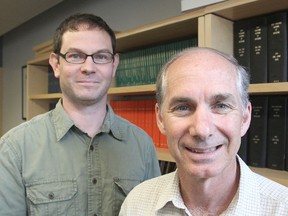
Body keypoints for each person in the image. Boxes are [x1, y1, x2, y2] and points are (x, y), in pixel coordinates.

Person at [0, 13, 161, 216]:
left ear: (114, 65)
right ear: (56, 64)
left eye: (101, 57)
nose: (89, 68)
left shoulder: (142, 146)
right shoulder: (14, 149)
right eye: (76, 56)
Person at [119, 47, 288, 215]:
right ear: (161, 119)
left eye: (221, 106)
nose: (202, 130)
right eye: (183, 107)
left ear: (245, 118)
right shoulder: (136, 204)